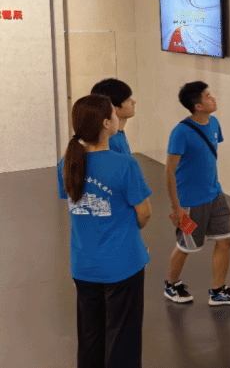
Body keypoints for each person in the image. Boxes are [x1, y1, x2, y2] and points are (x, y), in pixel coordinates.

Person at [57, 94, 152, 368]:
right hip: (123, 266)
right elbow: (144, 213)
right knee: (123, 340)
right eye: (113, 112)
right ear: (106, 123)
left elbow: (75, 203)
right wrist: (129, 231)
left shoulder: (66, 164)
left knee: (90, 338)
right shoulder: (125, 165)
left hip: (83, 266)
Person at [163, 81, 230, 306]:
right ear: (198, 106)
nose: (213, 98)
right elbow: (169, 171)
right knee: (185, 246)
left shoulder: (214, 123)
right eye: (208, 96)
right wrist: (176, 207)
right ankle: (171, 285)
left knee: (225, 239)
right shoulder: (180, 132)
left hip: (215, 195)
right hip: (189, 203)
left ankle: (218, 291)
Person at [91, 78, 136, 155]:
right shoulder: (109, 142)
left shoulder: (117, 135)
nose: (134, 102)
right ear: (112, 107)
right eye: (128, 99)